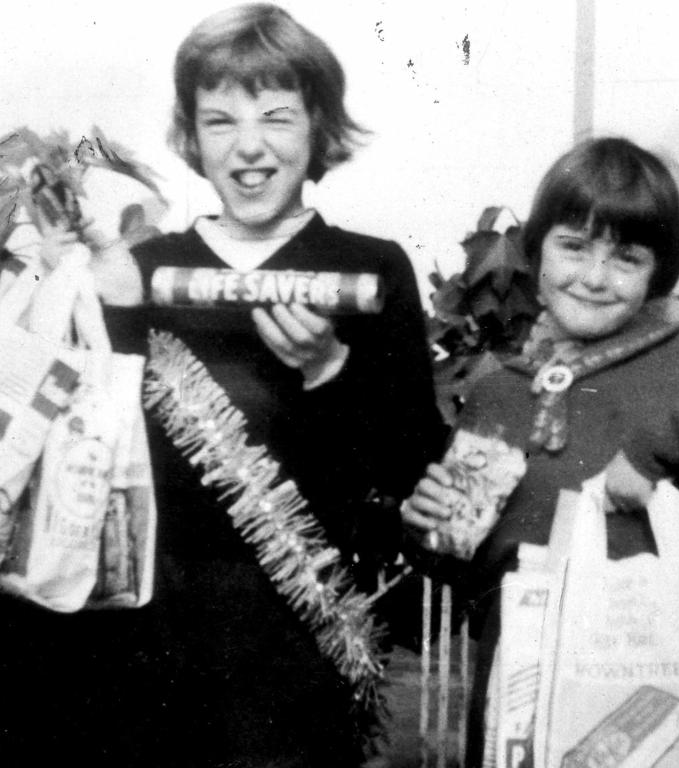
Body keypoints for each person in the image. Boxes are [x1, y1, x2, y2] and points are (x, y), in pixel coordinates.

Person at [0, 4, 445, 766]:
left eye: (276, 117)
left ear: (318, 129)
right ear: (194, 140)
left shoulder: (371, 269)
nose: (249, 147)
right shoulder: (136, 265)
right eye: (219, 121)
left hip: (295, 648)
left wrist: (330, 372)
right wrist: (67, 287)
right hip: (140, 636)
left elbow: (413, 467)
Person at [401, 136, 679, 767]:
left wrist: (653, 451)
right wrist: (430, 531)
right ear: (536, 252)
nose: (593, 277)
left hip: (653, 697)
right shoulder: (502, 391)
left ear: (658, 272)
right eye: (573, 246)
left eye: (626, 257)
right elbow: (472, 574)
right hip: (523, 699)